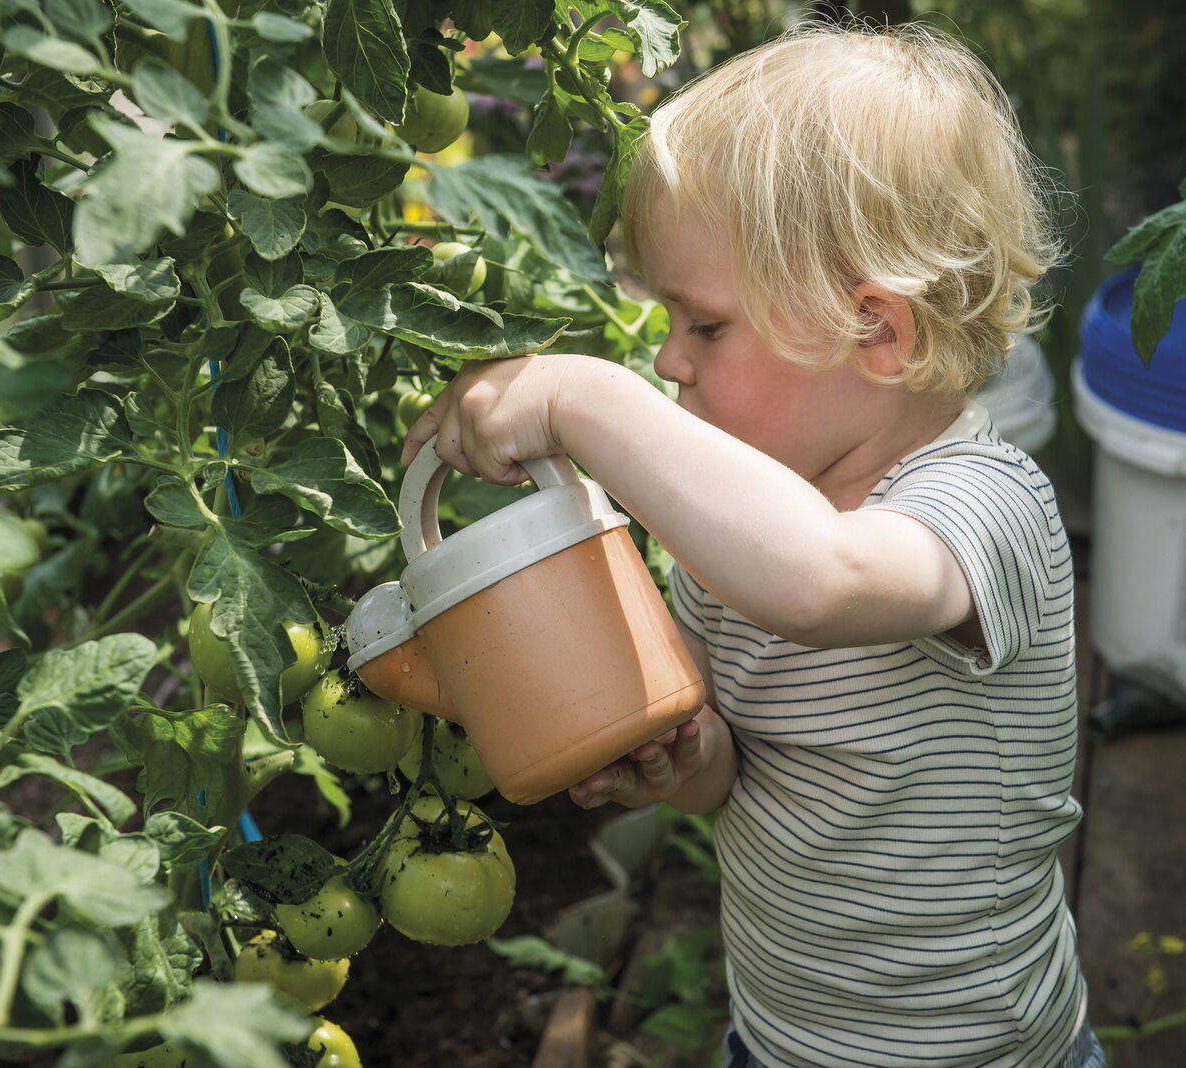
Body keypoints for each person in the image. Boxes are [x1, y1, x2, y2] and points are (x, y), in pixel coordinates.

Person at [401, 21, 1100, 1068]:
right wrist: (684, 761)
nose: (670, 364)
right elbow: (748, 776)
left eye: (705, 327)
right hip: (778, 1040)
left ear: (879, 332)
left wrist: (583, 396)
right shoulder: (741, 545)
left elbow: (821, 580)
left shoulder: (982, 503)